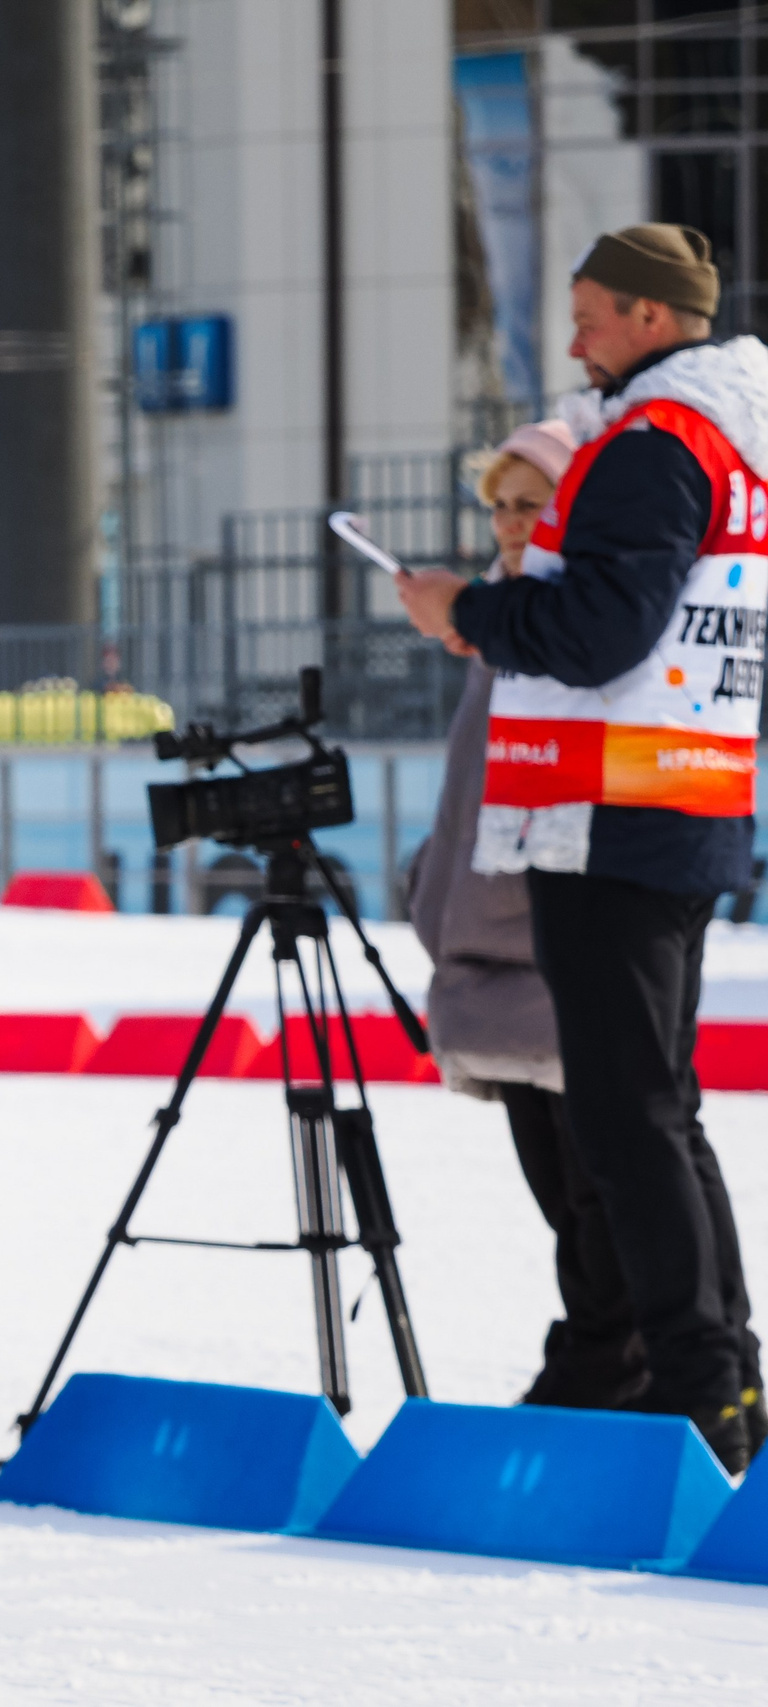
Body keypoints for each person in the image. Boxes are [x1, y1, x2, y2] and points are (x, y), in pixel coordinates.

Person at [397, 223, 763, 1471]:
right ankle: (724, 1376)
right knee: (659, 1110)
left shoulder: (652, 447)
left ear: (653, 319)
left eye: (594, 313)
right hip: (681, 799)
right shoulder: (725, 442)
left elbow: (603, 629)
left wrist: (473, 610)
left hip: (608, 815)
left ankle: (696, 1391)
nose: (572, 339)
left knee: (624, 1123)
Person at [406, 419, 650, 1410]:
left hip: (556, 951)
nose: (510, 523)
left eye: (531, 503)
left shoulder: (575, 630)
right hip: (493, 964)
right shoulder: (497, 636)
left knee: (604, 1198)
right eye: (499, 505)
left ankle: (607, 1371)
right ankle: (600, 1363)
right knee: (565, 1198)